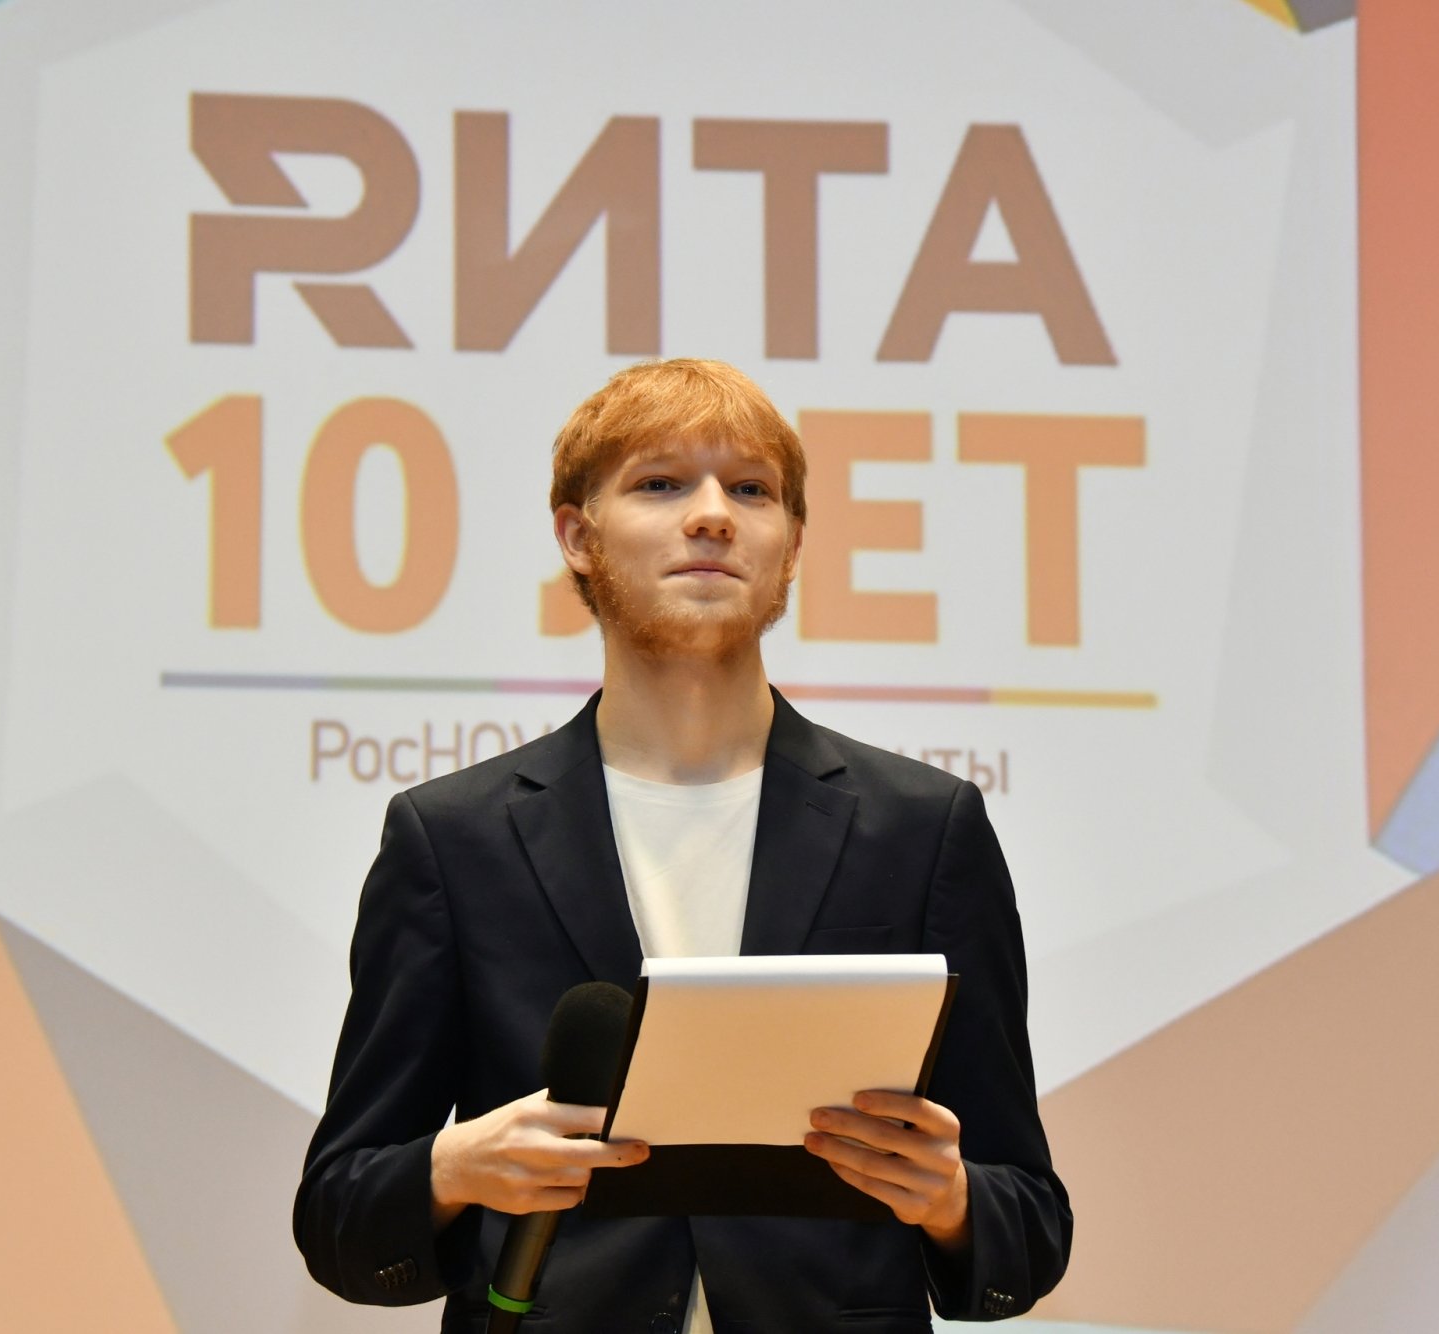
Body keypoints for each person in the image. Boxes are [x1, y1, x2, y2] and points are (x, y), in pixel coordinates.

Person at [294, 359, 1071, 1331]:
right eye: (660, 483)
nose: (711, 516)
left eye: (750, 490)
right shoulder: (454, 838)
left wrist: (950, 1200)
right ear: (577, 536)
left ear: (792, 546)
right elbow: (339, 1215)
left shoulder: (921, 827)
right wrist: (452, 1168)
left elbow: (1028, 1219)